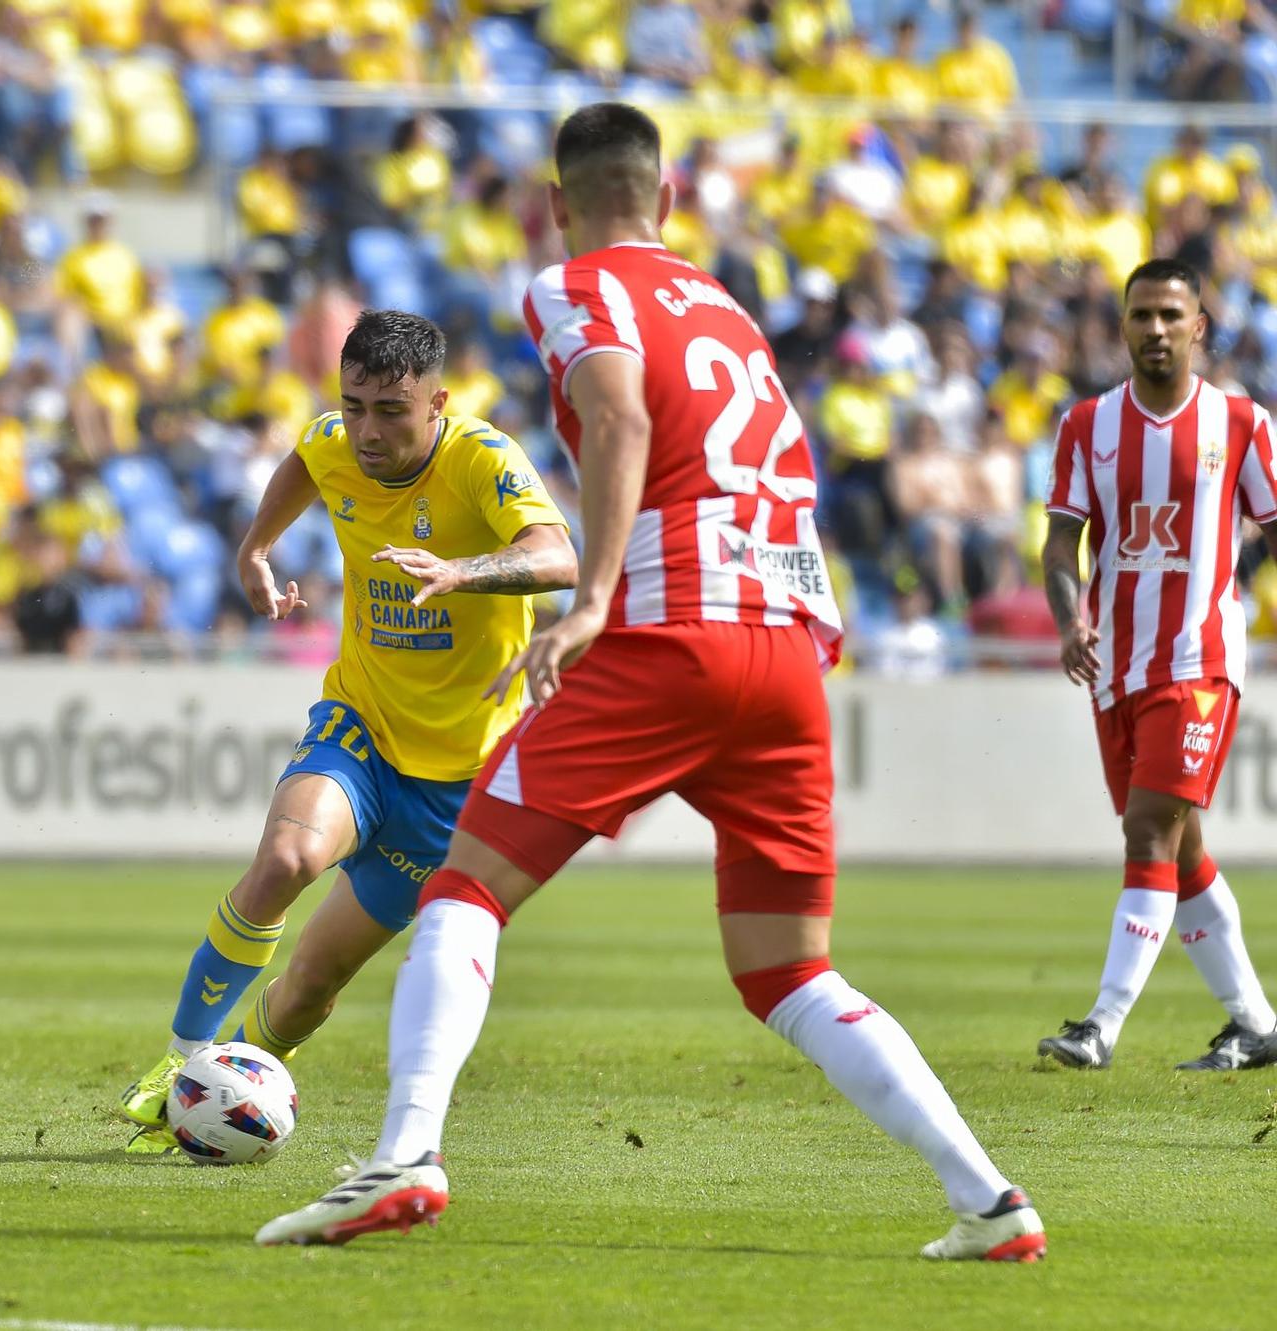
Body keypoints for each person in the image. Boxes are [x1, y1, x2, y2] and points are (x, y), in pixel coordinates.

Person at [256, 104, 1044, 1263]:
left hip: (672, 628)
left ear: (559, 204)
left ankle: (402, 1157)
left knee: (461, 892)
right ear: (668, 201)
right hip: (785, 642)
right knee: (786, 964)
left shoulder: (576, 285)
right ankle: (988, 1201)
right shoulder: (726, 308)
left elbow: (618, 410)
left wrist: (589, 599)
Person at [115, 310, 575, 1153]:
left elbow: (558, 555)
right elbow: (307, 459)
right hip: (360, 721)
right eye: (354, 403)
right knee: (286, 860)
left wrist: (465, 570)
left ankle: (227, 1090)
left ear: (437, 402)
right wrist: (257, 546)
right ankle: (177, 1067)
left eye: (390, 411)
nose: (366, 429)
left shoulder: (483, 458)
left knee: (307, 991)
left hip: (456, 782)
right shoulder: (336, 440)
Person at [1037, 257, 1277, 1073]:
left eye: (1172, 315)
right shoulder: (1086, 427)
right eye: (1141, 316)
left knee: (1148, 828)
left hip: (1199, 660)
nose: (1156, 330)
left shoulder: (1242, 424)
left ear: (1199, 326)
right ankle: (1255, 1021)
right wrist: (1072, 619)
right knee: (1180, 849)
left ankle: (1100, 1024)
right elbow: (1060, 541)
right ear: (1123, 326)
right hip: (1118, 668)